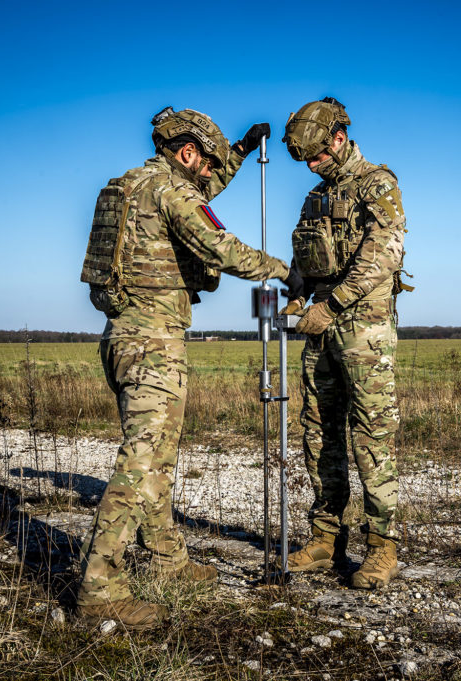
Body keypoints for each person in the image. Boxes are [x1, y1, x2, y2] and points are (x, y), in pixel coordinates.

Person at [76, 107, 302, 630]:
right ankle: (99, 591)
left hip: (126, 337)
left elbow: (202, 192)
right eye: (206, 163)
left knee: (157, 458)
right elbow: (217, 245)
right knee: (141, 462)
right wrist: (284, 271)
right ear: (186, 152)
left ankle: (168, 561)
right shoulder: (171, 191)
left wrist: (238, 152)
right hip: (153, 343)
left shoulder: (137, 185)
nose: (208, 175)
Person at [281, 97, 409, 589]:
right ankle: (325, 538)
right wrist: (296, 296)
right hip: (319, 326)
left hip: (363, 331)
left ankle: (382, 547)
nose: (311, 165)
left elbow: (383, 256)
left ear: (339, 139)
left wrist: (330, 306)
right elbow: (303, 256)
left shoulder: (378, 184)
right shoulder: (315, 196)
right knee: (319, 432)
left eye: (316, 155)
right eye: (305, 159)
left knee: (371, 437)